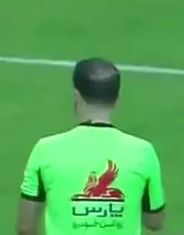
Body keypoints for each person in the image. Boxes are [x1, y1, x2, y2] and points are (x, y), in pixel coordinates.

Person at [16, 58, 167, 235]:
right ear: (116, 99)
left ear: (76, 96)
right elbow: (154, 221)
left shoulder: (45, 149)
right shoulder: (143, 152)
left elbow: (25, 228)